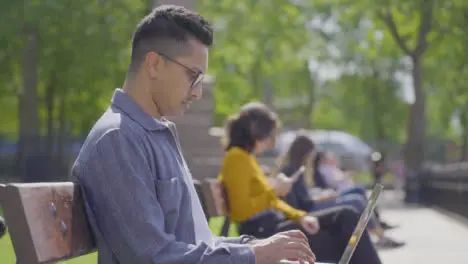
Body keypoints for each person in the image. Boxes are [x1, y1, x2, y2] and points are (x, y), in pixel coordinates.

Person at [71, 5, 316, 264]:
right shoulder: (117, 139)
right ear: (154, 64)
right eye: (193, 76)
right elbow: (153, 258)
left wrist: (259, 246)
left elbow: (199, 244)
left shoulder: (155, 134)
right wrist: (254, 254)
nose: (197, 92)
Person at [218, 102, 382, 264]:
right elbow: (240, 212)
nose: (270, 140)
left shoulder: (246, 158)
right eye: (269, 134)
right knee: (345, 224)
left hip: (273, 223)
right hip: (262, 230)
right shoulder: (236, 158)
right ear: (256, 131)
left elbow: (272, 202)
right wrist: (275, 191)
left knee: (347, 217)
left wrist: (300, 216)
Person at [282, 134, 405, 249]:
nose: (313, 157)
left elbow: (304, 195)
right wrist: (324, 197)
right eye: (312, 154)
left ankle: (376, 234)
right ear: (305, 153)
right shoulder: (293, 170)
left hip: (310, 206)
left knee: (357, 198)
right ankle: (378, 236)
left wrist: (320, 193)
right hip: (308, 211)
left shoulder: (296, 168)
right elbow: (304, 202)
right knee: (356, 201)